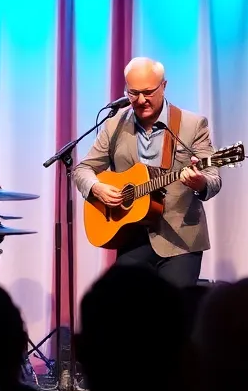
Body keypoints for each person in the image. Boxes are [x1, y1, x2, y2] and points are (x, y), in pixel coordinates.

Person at [72, 56, 222, 287]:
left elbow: (213, 178)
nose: (141, 100)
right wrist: (96, 187)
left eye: (148, 92)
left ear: (164, 86)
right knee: (124, 313)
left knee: (173, 317)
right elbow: (83, 169)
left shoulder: (192, 125)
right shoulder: (115, 125)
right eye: (133, 93)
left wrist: (199, 182)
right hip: (131, 236)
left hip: (180, 240)